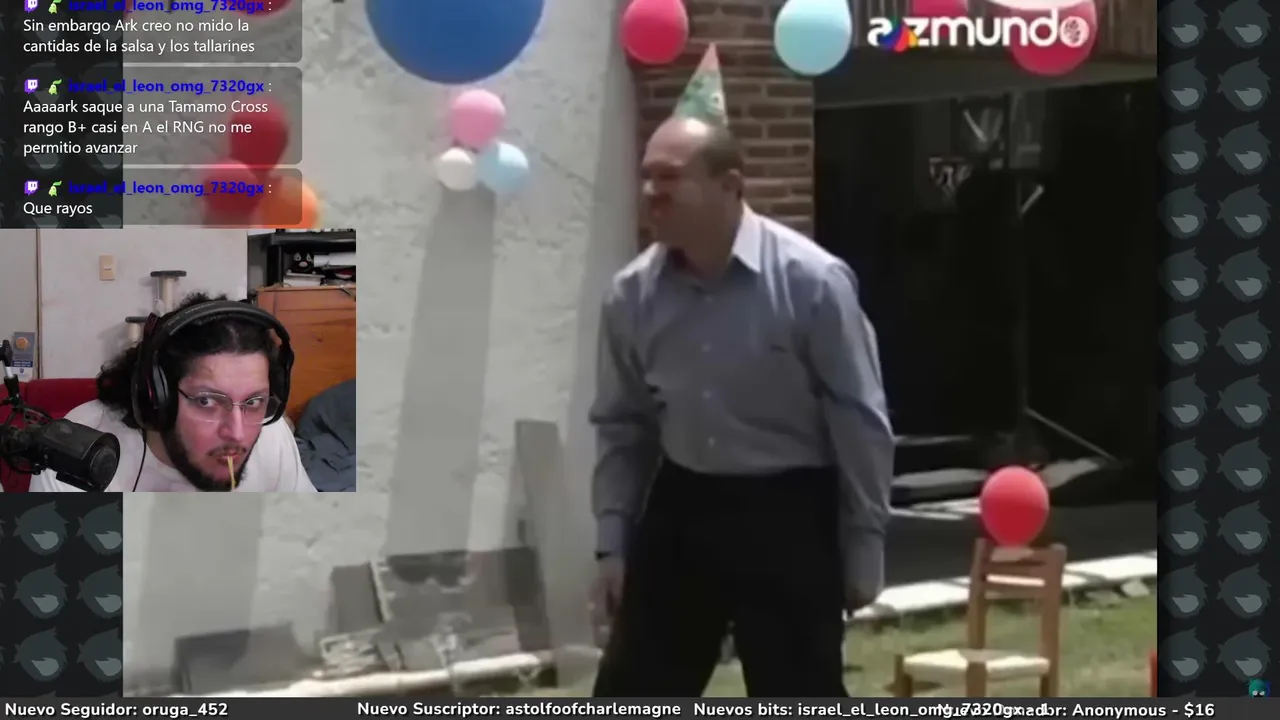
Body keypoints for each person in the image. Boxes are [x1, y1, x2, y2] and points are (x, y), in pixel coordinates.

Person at [588, 44, 893, 697]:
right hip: (684, 503)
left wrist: (865, 542)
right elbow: (622, 425)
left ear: (730, 186)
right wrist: (613, 544)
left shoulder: (812, 283)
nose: (651, 193)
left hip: (788, 510)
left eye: (670, 177)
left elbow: (859, 419)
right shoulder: (630, 296)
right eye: (646, 177)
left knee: (798, 690)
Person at [29, 293, 316, 493]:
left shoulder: (271, 434)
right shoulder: (75, 452)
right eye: (206, 401)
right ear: (157, 397)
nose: (238, 434)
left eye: (253, 401)